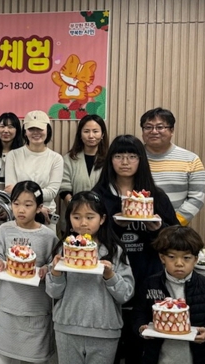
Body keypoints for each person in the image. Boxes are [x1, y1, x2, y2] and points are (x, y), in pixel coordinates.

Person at [91, 134, 179, 364]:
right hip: (109, 280)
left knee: (141, 346)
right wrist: (113, 227)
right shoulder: (98, 197)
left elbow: (176, 240)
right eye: (119, 156)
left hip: (147, 277)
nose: (125, 162)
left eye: (132, 156)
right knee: (108, 349)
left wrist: (157, 228)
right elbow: (85, 237)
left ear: (141, 160)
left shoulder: (156, 197)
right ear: (110, 160)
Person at [46, 191, 135, 364]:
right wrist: (56, 272)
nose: (83, 223)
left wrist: (110, 276)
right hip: (67, 327)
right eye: (76, 217)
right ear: (69, 219)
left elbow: (126, 294)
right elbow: (53, 293)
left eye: (90, 217)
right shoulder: (64, 249)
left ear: (102, 219)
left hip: (105, 330)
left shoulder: (114, 251)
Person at [0, 180, 58, 364]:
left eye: (28, 205)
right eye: (16, 203)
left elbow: (55, 265)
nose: (20, 210)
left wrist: (47, 269)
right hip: (7, 308)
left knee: (35, 358)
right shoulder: (4, 230)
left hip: (35, 310)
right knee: (4, 357)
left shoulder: (48, 236)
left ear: (39, 208)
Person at [134, 225, 205, 363]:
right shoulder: (150, 284)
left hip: (194, 356)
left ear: (196, 259)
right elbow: (138, 313)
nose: (179, 263)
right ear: (162, 258)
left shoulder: (203, 285)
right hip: (158, 356)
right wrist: (141, 328)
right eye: (172, 257)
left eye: (186, 258)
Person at [140, 107, 205, 226]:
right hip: (135, 228)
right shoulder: (133, 158)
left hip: (173, 229)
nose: (154, 131)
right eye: (148, 127)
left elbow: (197, 196)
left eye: (160, 127)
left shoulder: (191, 159)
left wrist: (174, 223)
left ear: (172, 130)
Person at [5, 110, 63, 226]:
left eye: (40, 129)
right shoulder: (13, 155)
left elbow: (52, 192)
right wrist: (37, 205)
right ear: (25, 132)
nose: (36, 133)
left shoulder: (56, 159)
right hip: (19, 216)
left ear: (47, 130)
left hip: (46, 217)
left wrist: (21, 192)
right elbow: (10, 189)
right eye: (31, 129)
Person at [59, 114, 109, 204]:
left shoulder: (110, 159)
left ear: (102, 134)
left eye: (95, 131)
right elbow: (64, 188)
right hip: (75, 210)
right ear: (80, 135)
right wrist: (74, 206)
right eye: (86, 131)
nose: (91, 136)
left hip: (102, 210)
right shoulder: (69, 159)